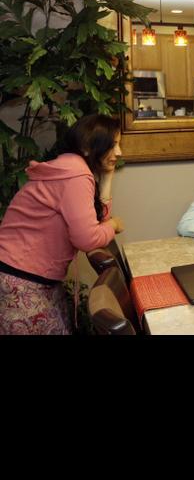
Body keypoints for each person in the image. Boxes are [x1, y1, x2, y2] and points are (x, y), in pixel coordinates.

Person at [0, 114, 125, 335]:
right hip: (21, 279)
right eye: (113, 144)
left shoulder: (70, 167)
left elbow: (96, 225)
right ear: (88, 146)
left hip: (28, 275)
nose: (119, 153)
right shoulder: (75, 175)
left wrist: (107, 178)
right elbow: (88, 239)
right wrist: (113, 226)